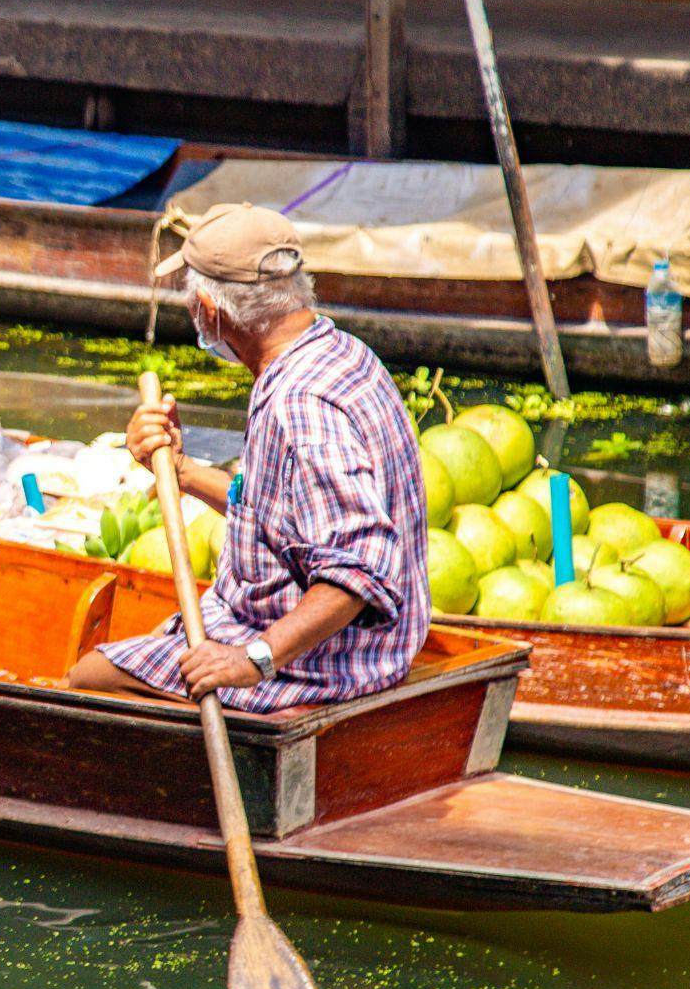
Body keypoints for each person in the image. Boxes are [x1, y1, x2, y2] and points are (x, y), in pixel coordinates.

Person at [66, 204, 430, 711]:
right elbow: (275, 517)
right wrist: (181, 469)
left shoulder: (299, 405)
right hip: (336, 641)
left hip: (333, 660)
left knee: (89, 678)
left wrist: (254, 658)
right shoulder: (340, 350)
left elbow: (358, 572)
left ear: (211, 312)